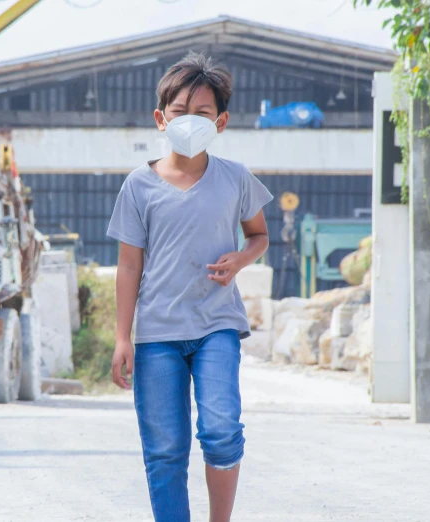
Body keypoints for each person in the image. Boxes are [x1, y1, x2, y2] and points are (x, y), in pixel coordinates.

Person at [106, 52, 273, 522]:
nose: (190, 121)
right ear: (161, 119)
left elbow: (259, 234)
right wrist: (123, 337)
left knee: (221, 430)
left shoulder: (236, 178)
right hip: (157, 334)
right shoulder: (138, 186)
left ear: (220, 121)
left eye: (203, 113)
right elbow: (129, 266)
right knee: (164, 450)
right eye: (180, 112)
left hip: (216, 326)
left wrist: (240, 259)